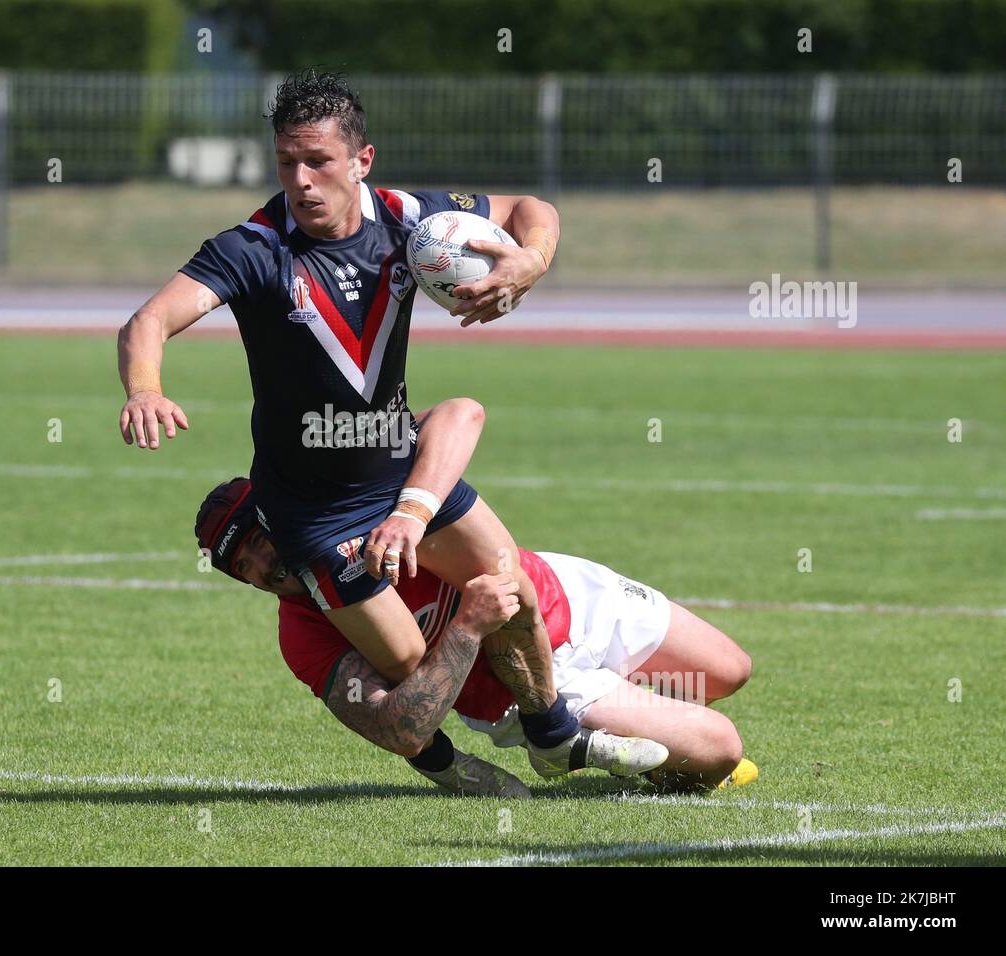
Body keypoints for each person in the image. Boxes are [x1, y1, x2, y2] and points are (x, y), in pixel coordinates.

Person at [118, 69, 587, 774]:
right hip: (312, 511)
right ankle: (443, 757)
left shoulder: (406, 217)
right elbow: (149, 319)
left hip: (395, 464)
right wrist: (145, 387)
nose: (301, 180)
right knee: (403, 660)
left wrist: (530, 261)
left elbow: (530, 206)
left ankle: (552, 734)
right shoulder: (253, 249)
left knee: (508, 576)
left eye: (318, 161)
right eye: (286, 163)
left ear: (362, 161)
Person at [195, 400, 757, 796]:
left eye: (258, 543)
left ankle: (638, 716)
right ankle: (575, 736)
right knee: (717, 748)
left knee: (731, 670)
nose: (261, 569)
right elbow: (398, 729)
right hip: (522, 687)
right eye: (240, 567)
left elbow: (461, 412)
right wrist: (465, 632)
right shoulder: (303, 630)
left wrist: (412, 507)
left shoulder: (363, 493)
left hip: (565, 591)